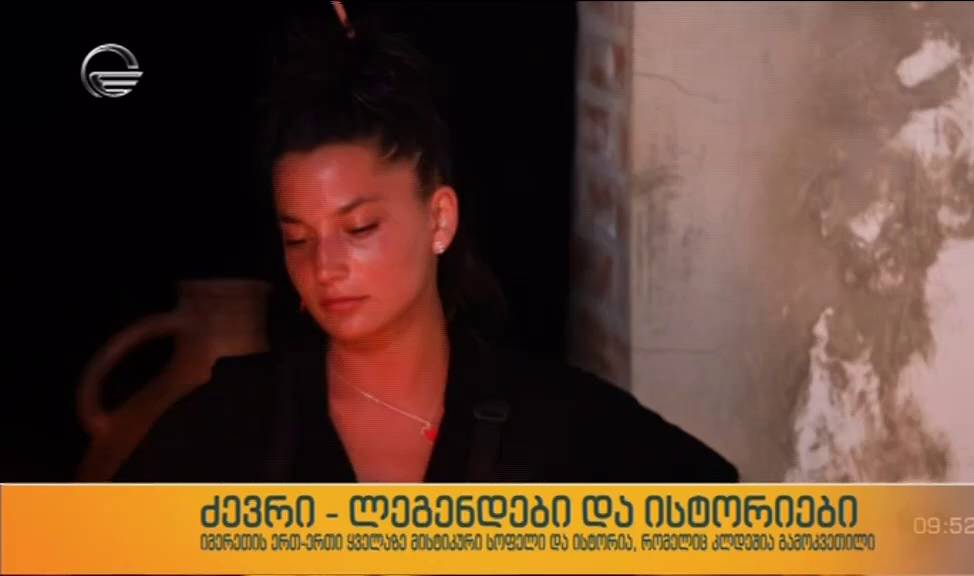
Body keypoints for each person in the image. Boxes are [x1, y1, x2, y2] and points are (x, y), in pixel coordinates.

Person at [114, 4, 739, 483]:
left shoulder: (555, 423)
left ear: (439, 220)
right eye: (298, 238)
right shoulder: (230, 428)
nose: (325, 266)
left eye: (360, 229)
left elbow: (721, 514)